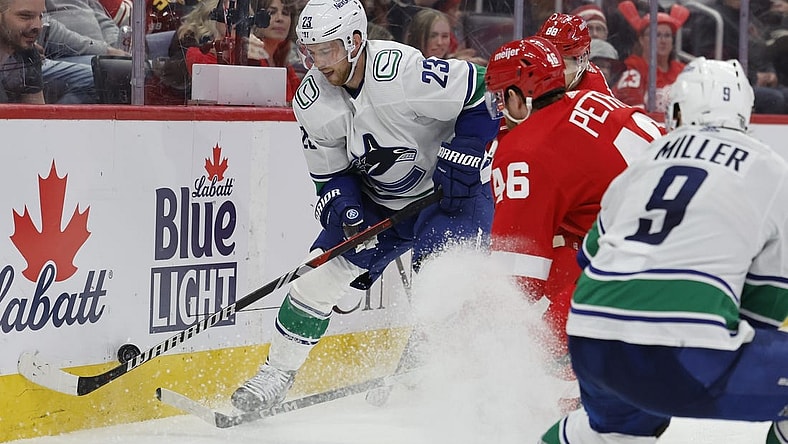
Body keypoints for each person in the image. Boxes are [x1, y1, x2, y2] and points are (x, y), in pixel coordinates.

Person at [230, 0, 499, 412]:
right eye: (310, 52)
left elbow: (482, 87)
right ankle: (276, 374)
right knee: (315, 280)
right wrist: (344, 205)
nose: (318, 63)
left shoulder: (403, 72)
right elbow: (329, 174)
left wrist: (466, 149)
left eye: (328, 50)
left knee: (442, 285)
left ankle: (425, 371)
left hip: (449, 196)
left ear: (356, 41)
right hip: (382, 201)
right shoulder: (310, 100)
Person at [540, 56, 788, 444]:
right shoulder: (770, 169)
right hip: (684, 353)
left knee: (613, 432)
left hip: (592, 342)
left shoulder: (644, 163)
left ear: (678, 109)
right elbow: (771, 298)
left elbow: (589, 256)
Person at [483, 36, 664, 409]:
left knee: (544, 332)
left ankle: (577, 404)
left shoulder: (523, 151)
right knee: (565, 245)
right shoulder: (591, 97)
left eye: (502, 97)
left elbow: (517, 277)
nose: (500, 108)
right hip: (689, 240)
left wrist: (493, 337)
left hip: (654, 266)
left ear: (521, 95)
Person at [613, 0, 689, 112]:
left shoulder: (682, 71)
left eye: (667, 35)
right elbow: (634, 116)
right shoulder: (632, 71)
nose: (663, 41)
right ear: (642, 40)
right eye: (656, 35)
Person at [535, 12, 613, 96]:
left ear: (582, 60)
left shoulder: (595, 92)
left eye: (560, 65)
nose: (550, 73)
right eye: (545, 61)